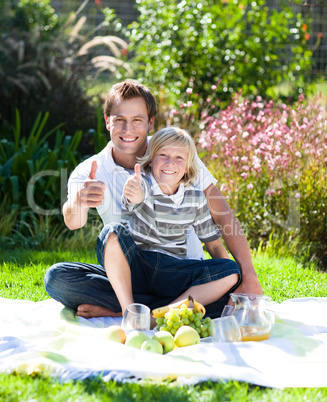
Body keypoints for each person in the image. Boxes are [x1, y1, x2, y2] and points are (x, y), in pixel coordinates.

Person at [44, 79, 262, 319]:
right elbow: (73, 221)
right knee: (58, 279)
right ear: (107, 122)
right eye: (119, 120)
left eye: (137, 120)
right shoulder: (90, 170)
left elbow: (222, 214)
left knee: (230, 277)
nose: (128, 129)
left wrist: (247, 276)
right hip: (130, 276)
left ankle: (125, 311)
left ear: (150, 123)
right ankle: (158, 309)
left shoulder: (173, 153)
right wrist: (79, 201)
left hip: (182, 274)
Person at [97, 126, 241, 316]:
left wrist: (233, 280)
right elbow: (137, 196)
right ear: (151, 159)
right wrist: (135, 193)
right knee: (62, 274)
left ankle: (158, 314)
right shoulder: (141, 184)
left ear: (188, 166)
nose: (170, 163)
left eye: (179, 158)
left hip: (173, 274)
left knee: (231, 270)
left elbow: (213, 246)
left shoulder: (195, 198)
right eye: (163, 155)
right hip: (136, 269)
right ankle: (130, 312)